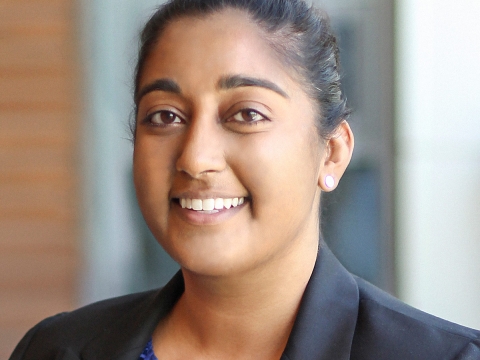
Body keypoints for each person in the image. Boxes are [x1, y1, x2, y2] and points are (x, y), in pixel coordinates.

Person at [9, 0, 480, 359]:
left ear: (331, 153)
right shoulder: (56, 350)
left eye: (246, 114)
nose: (196, 158)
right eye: (165, 116)